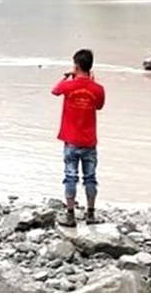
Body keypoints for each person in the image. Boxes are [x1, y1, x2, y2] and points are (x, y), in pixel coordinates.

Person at [52, 49, 105, 227]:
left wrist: (67, 77)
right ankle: (90, 214)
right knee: (90, 177)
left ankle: (70, 215)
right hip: (89, 141)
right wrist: (92, 83)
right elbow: (99, 106)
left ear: (76, 66)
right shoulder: (98, 89)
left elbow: (54, 91)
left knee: (70, 176)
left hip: (71, 140)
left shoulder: (68, 86)